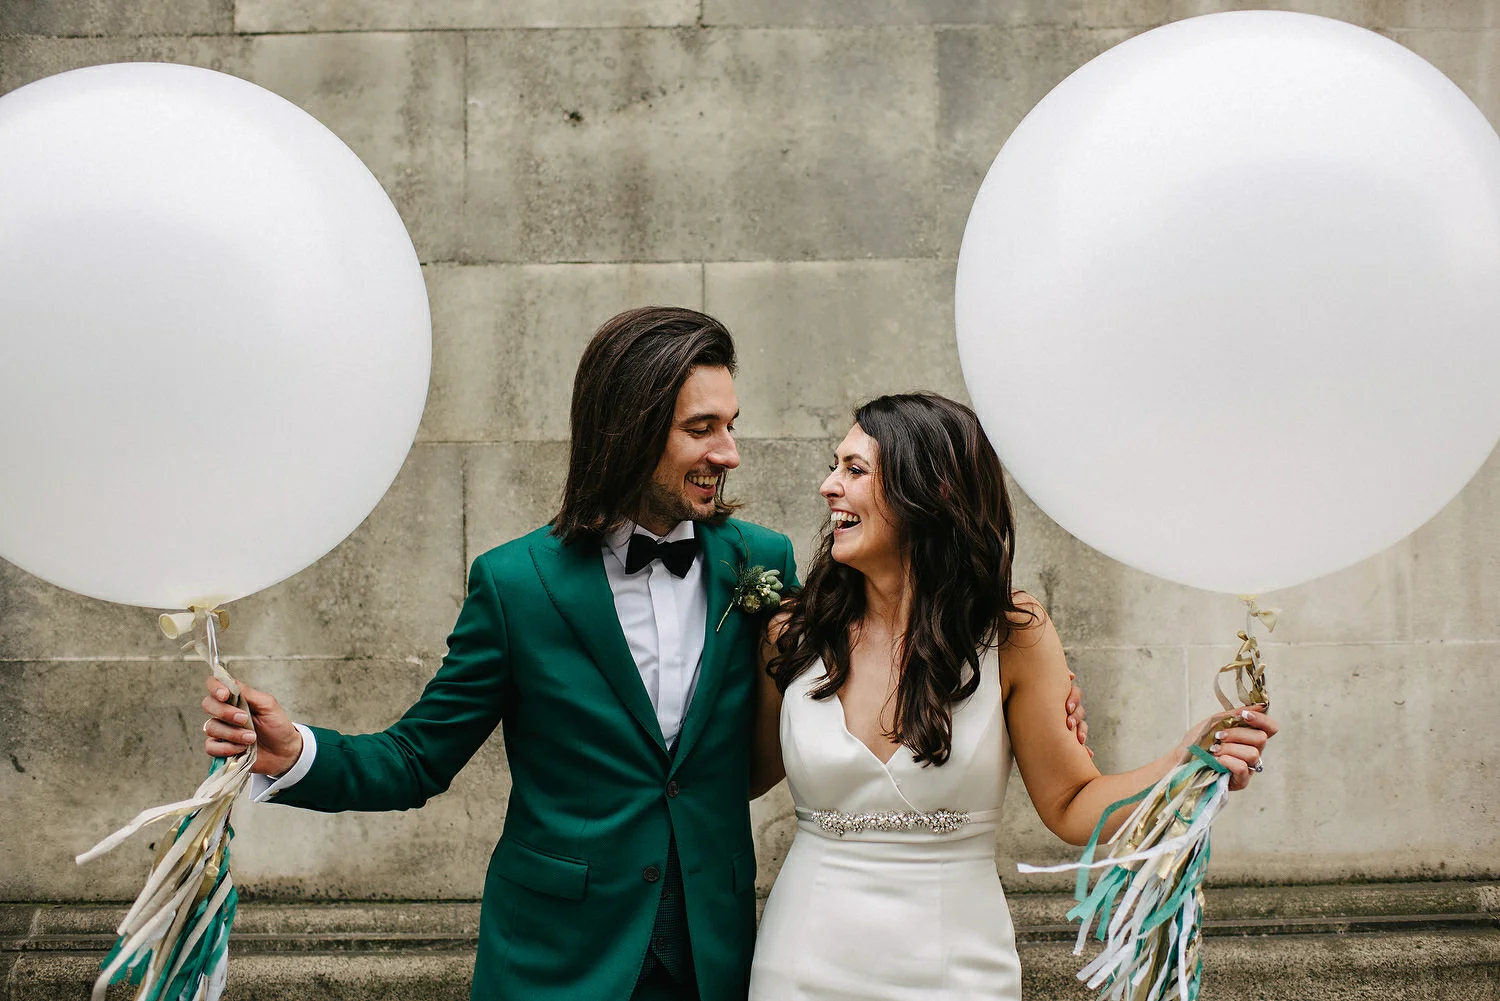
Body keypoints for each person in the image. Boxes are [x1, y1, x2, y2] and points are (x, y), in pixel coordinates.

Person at [199, 309, 1091, 1001]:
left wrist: (1017, 696)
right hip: (558, 960)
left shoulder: (764, 566)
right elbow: (417, 757)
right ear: (633, 429)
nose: (730, 453)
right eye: (703, 428)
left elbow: (881, 654)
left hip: (720, 957)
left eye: (731, 424)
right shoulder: (514, 585)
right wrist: (298, 752)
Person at [746, 392, 1279, 1000]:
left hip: (957, 964)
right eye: (834, 465)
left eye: (854, 469)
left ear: (926, 491)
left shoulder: (1013, 634)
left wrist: (1184, 762)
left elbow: (1075, 805)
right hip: (803, 958)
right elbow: (737, 775)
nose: (827, 486)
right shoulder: (792, 631)